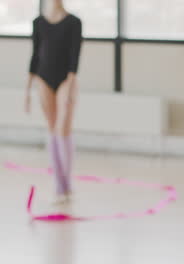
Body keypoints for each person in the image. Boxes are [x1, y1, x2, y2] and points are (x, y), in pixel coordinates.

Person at [26, 0, 82, 203]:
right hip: (43, 77)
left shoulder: (74, 22)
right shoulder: (38, 22)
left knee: (62, 128)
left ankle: (67, 182)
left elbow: (75, 57)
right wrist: (27, 90)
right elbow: (35, 55)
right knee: (51, 128)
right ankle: (59, 186)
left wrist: (71, 83)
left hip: (66, 79)